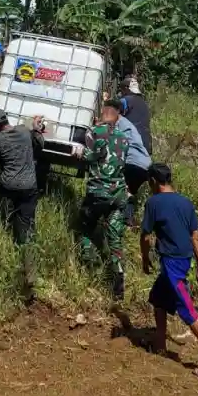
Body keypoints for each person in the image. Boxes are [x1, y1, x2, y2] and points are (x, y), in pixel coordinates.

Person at [140, 163, 198, 379]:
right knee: (158, 298)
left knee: (187, 310)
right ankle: (160, 343)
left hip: (172, 265)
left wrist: (144, 258)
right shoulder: (185, 202)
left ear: (153, 181)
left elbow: (145, 236)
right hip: (183, 260)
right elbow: (196, 237)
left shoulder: (153, 203)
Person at [73, 99, 129, 302]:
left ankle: (91, 267)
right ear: (117, 116)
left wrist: (79, 153)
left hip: (98, 193)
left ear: (102, 113)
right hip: (119, 195)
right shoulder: (124, 138)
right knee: (114, 237)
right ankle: (118, 274)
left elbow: (90, 156)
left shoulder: (95, 133)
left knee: (85, 228)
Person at [0, 108, 45, 295]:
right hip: (29, 187)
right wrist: (36, 128)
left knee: (4, 220)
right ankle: (30, 272)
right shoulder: (23, 131)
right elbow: (40, 144)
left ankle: (7, 256)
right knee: (26, 228)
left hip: (9, 188)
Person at [115, 111, 152, 226]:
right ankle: (128, 219)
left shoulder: (118, 123)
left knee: (117, 185)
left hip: (132, 161)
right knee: (129, 191)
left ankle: (116, 219)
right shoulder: (129, 125)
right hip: (146, 164)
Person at [119, 76, 152, 156]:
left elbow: (111, 115)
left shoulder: (125, 100)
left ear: (126, 89)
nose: (121, 92)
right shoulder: (144, 104)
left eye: (122, 89)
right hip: (146, 144)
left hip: (132, 143)